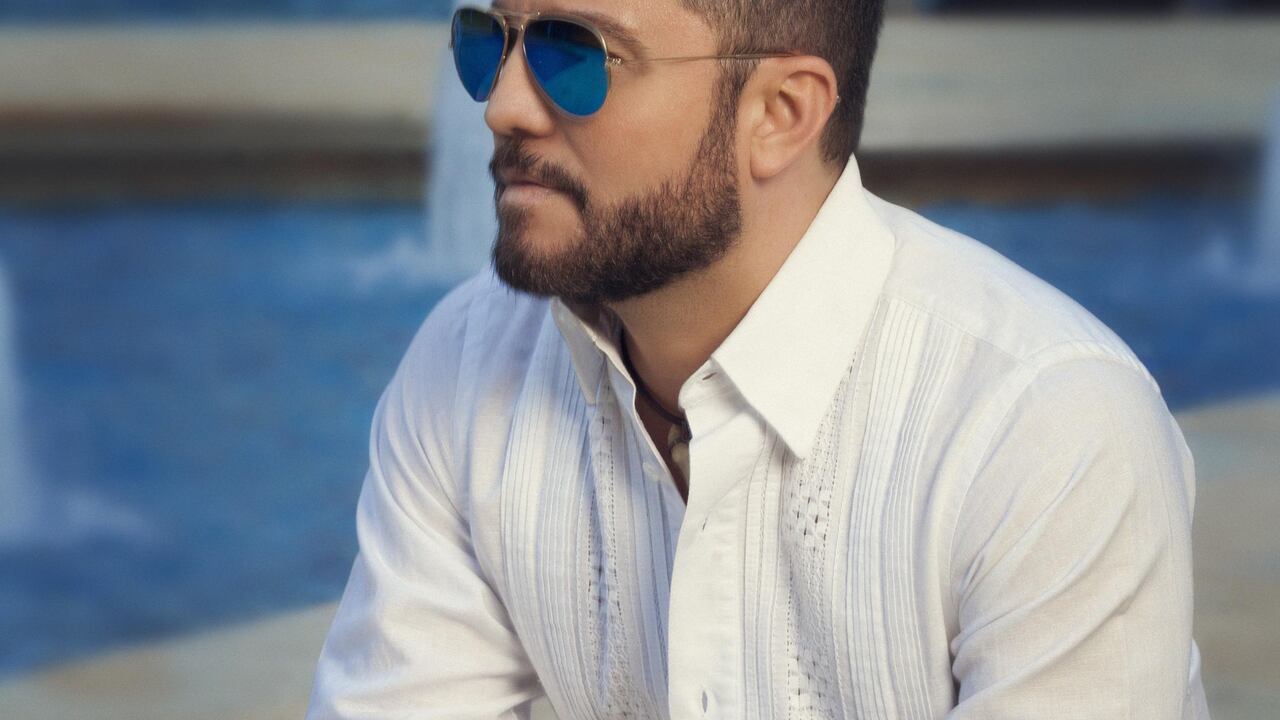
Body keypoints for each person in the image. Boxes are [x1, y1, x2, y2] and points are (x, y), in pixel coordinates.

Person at [307, 1, 1209, 717]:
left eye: (572, 55)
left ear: (781, 113)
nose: (502, 104)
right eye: (488, 42)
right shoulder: (469, 361)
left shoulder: (1044, 430)